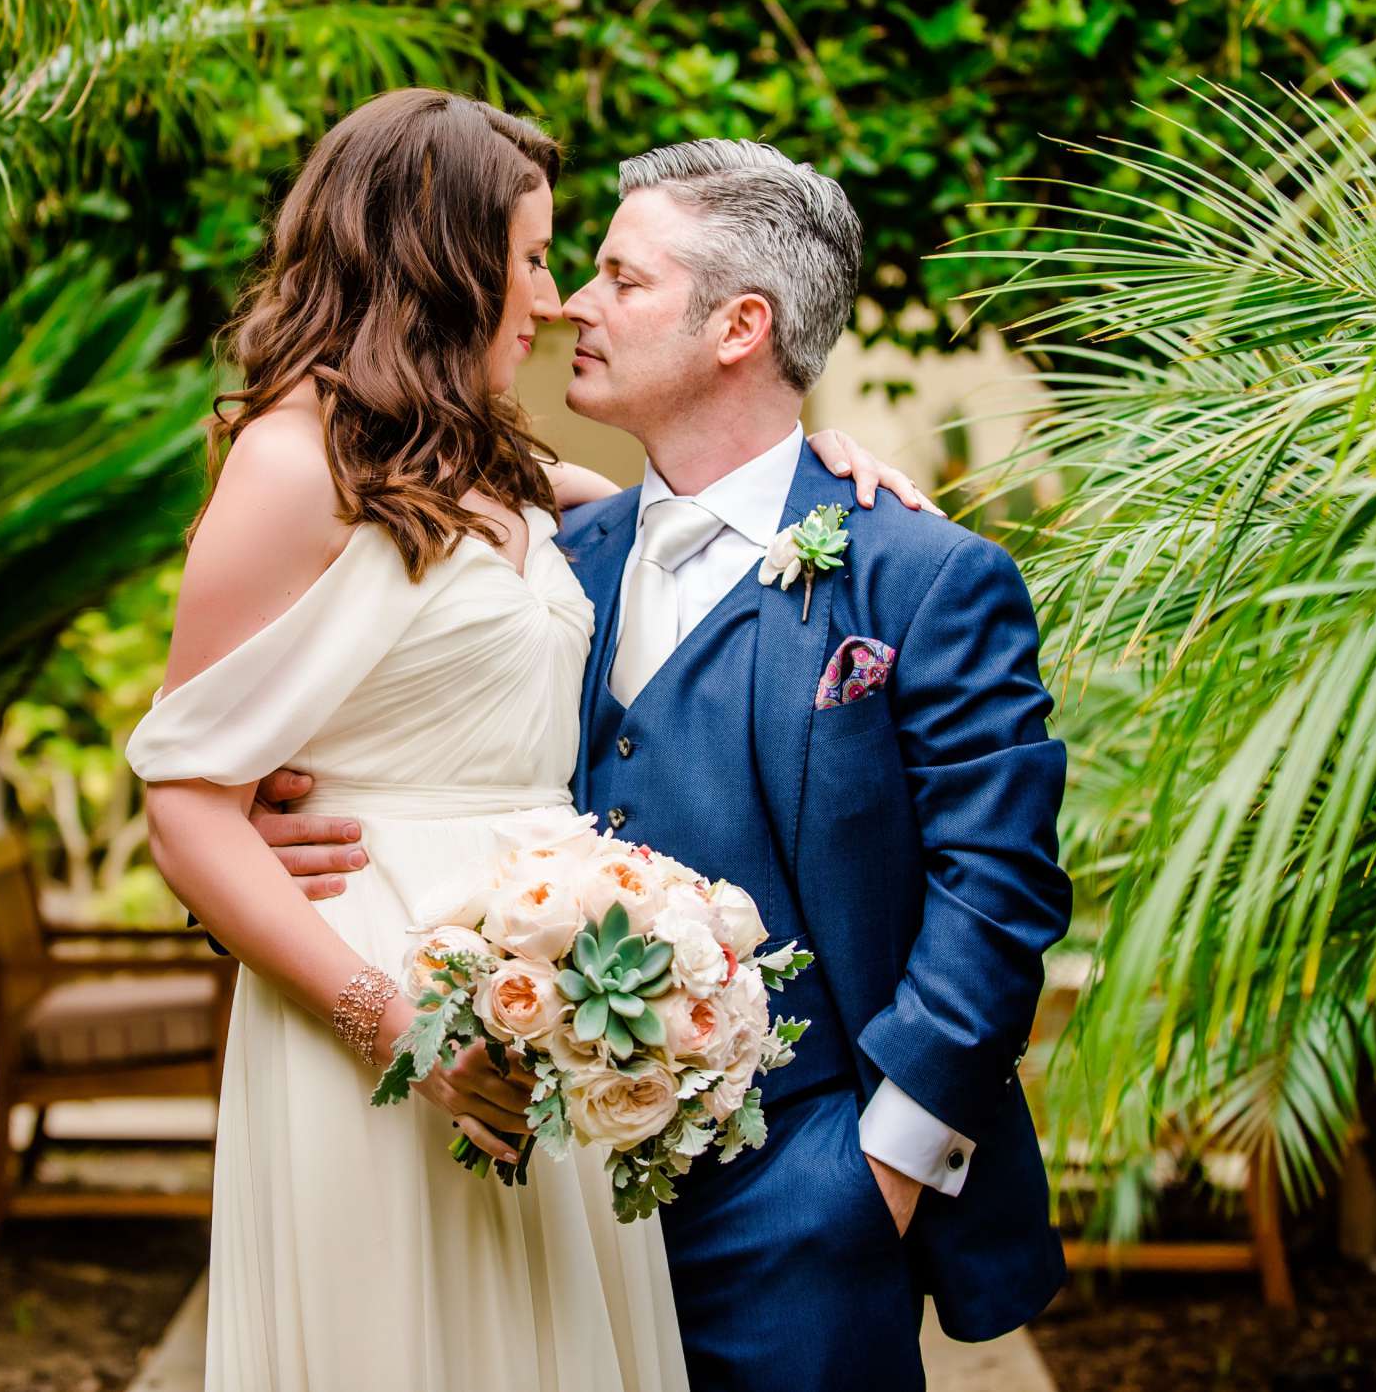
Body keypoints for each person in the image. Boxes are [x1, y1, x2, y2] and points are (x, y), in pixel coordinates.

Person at [124, 92, 926, 1392]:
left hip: (538, 996)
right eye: (538, 257)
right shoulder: (288, 463)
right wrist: (397, 1029)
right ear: (444, 264)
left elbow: (702, 518)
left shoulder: (503, 468)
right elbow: (187, 797)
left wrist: (820, 460)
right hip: (371, 1010)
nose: (553, 299)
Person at [248, 139, 1073, 1387]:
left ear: (741, 325)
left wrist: (884, 1170)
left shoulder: (921, 574)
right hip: (537, 1202)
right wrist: (266, 847)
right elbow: (360, 765)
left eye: (620, 280)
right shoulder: (539, 556)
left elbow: (997, 893)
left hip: (810, 1199)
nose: (572, 304)